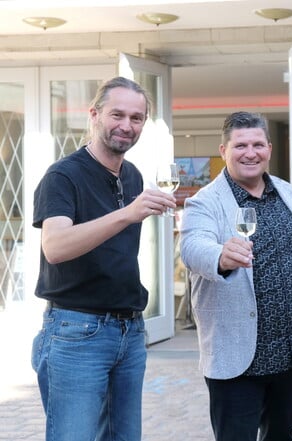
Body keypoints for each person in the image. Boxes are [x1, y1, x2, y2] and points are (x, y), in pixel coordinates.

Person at [31, 76, 177, 440]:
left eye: (137, 118)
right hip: (77, 333)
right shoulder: (63, 176)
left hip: (130, 332)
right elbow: (56, 246)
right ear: (94, 114)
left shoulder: (133, 176)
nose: (127, 126)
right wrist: (128, 213)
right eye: (118, 115)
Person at [179, 111, 292, 441]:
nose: (250, 152)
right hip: (238, 354)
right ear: (224, 150)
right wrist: (220, 256)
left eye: (258, 144)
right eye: (240, 145)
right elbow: (192, 247)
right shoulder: (205, 202)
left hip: (290, 349)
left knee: (283, 435)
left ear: (269, 149)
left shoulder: (287, 192)